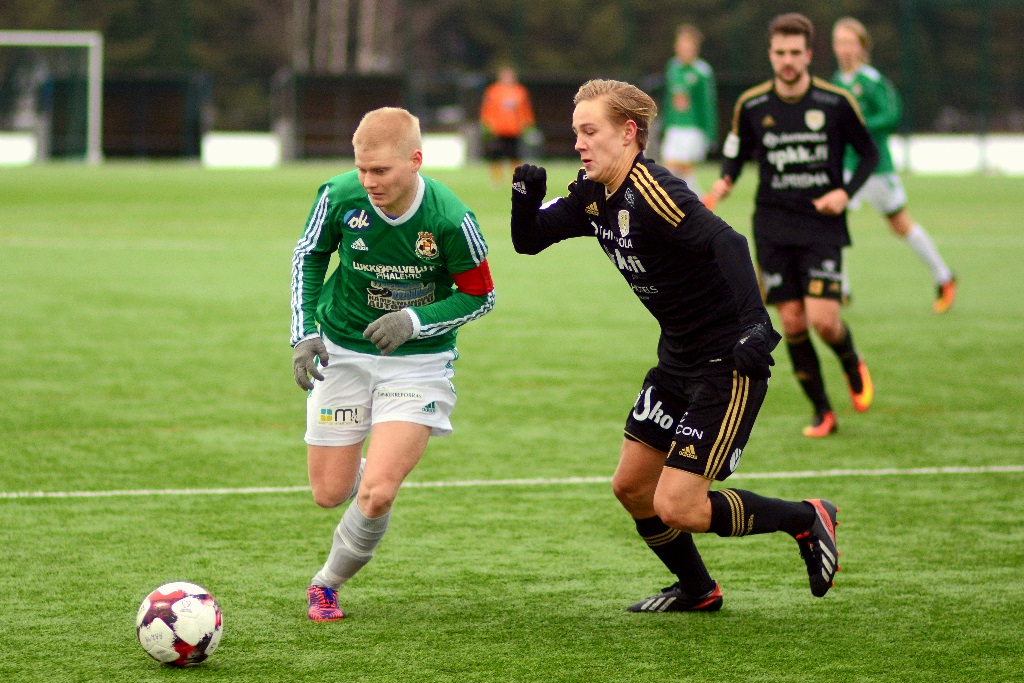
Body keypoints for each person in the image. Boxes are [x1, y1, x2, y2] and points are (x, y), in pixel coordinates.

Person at [510, 78, 841, 613]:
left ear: (629, 134)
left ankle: (806, 518)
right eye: (576, 132)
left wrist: (758, 325)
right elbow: (529, 240)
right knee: (632, 489)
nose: (579, 143)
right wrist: (523, 200)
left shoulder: (654, 190)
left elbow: (727, 241)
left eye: (590, 132)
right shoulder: (594, 193)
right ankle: (697, 589)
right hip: (677, 362)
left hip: (728, 363)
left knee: (677, 505)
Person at [290, 107, 496, 621]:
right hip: (341, 354)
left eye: (380, 170)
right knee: (329, 493)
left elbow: (482, 297)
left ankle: (326, 584)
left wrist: (414, 320)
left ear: (415, 161)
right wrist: (305, 334)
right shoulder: (338, 197)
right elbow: (308, 256)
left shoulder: (450, 218)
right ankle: (371, 461)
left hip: (418, 367)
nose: (369, 181)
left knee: (378, 493)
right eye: (362, 169)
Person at [707, 13, 880, 438]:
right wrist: (725, 180)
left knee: (823, 320)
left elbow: (869, 155)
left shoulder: (835, 102)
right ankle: (823, 411)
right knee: (793, 323)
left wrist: (846, 192)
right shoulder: (751, 105)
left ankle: (849, 357)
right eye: (780, 52)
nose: (787, 60)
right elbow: (736, 151)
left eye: (795, 53)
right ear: (771, 54)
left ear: (808, 54)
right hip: (772, 226)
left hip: (821, 224)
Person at [831, 16, 958, 314]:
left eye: (850, 42)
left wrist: (860, 125)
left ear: (863, 47)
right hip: (847, 167)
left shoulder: (870, 80)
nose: (844, 49)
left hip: (875, 168)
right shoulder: (837, 81)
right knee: (832, 221)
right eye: (839, 42)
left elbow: (891, 114)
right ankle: (840, 288)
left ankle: (945, 277)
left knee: (900, 225)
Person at [660, 24, 718, 196]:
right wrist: (666, 126)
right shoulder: (672, 68)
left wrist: (710, 135)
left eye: (687, 45)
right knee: (675, 173)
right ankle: (699, 205)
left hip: (693, 129)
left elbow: (707, 106)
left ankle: (697, 206)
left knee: (674, 170)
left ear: (695, 48)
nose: (683, 49)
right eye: (680, 44)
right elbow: (669, 102)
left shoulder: (702, 72)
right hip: (674, 128)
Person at [479, 65, 536, 187]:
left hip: (514, 130)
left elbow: (525, 111)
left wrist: (527, 124)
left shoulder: (520, 91)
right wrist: (487, 124)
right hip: (497, 130)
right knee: (495, 155)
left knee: (514, 156)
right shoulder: (493, 91)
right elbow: (487, 110)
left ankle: (517, 180)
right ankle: (496, 180)